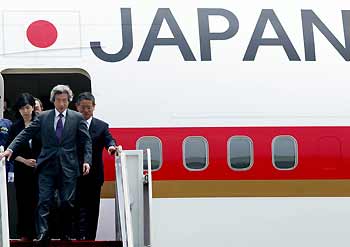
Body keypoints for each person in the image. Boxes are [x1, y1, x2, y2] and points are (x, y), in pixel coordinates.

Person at [0, 85, 92, 247]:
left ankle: (66, 233)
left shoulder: (77, 118)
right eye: (58, 100)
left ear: (69, 101)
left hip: (68, 167)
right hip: (46, 166)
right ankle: (43, 233)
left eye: (64, 100)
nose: (61, 104)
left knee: (66, 201)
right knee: (44, 200)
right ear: (53, 101)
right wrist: (10, 149)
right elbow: (25, 134)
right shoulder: (43, 117)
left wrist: (86, 160)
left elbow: (86, 141)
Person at [75, 92, 117, 240]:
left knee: (92, 209)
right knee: (76, 207)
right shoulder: (71, 124)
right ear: (77, 107)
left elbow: (109, 140)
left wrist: (112, 147)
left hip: (94, 176)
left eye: (89, 108)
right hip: (74, 174)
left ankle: (90, 239)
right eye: (83, 108)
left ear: (94, 107)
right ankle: (78, 237)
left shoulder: (101, 126)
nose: (86, 111)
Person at [6, 93, 41, 241]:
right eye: (22, 108)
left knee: (40, 201)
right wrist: (25, 161)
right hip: (22, 169)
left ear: (33, 107)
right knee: (23, 201)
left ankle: (40, 232)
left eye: (27, 107)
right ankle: (25, 233)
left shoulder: (40, 123)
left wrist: (39, 161)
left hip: (40, 170)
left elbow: (48, 146)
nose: (25, 111)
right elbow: (11, 151)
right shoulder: (15, 127)